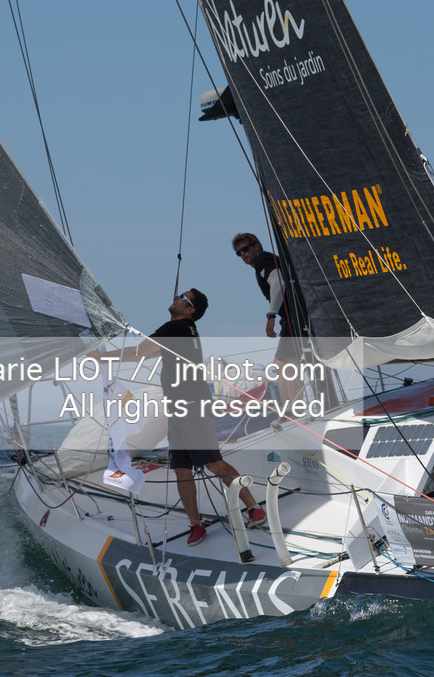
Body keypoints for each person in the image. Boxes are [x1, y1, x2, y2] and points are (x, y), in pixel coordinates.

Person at [109, 287, 265, 546]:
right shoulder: (184, 331)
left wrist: (101, 357)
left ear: (190, 309)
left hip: (191, 405)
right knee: (182, 469)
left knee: (213, 463)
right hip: (180, 407)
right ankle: (196, 525)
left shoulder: (177, 328)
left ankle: (253, 508)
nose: (175, 297)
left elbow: (138, 353)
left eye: (182, 297)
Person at [232, 232, 311, 404]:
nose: (243, 254)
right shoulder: (264, 262)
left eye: (245, 249)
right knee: (280, 363)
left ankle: (295, 409)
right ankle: (289, 409)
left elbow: (278, 283)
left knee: (288, 363)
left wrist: (271, 316)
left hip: (295, 317)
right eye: (239, 253)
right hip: (292, 317)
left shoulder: (263, 261)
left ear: (257, 247)